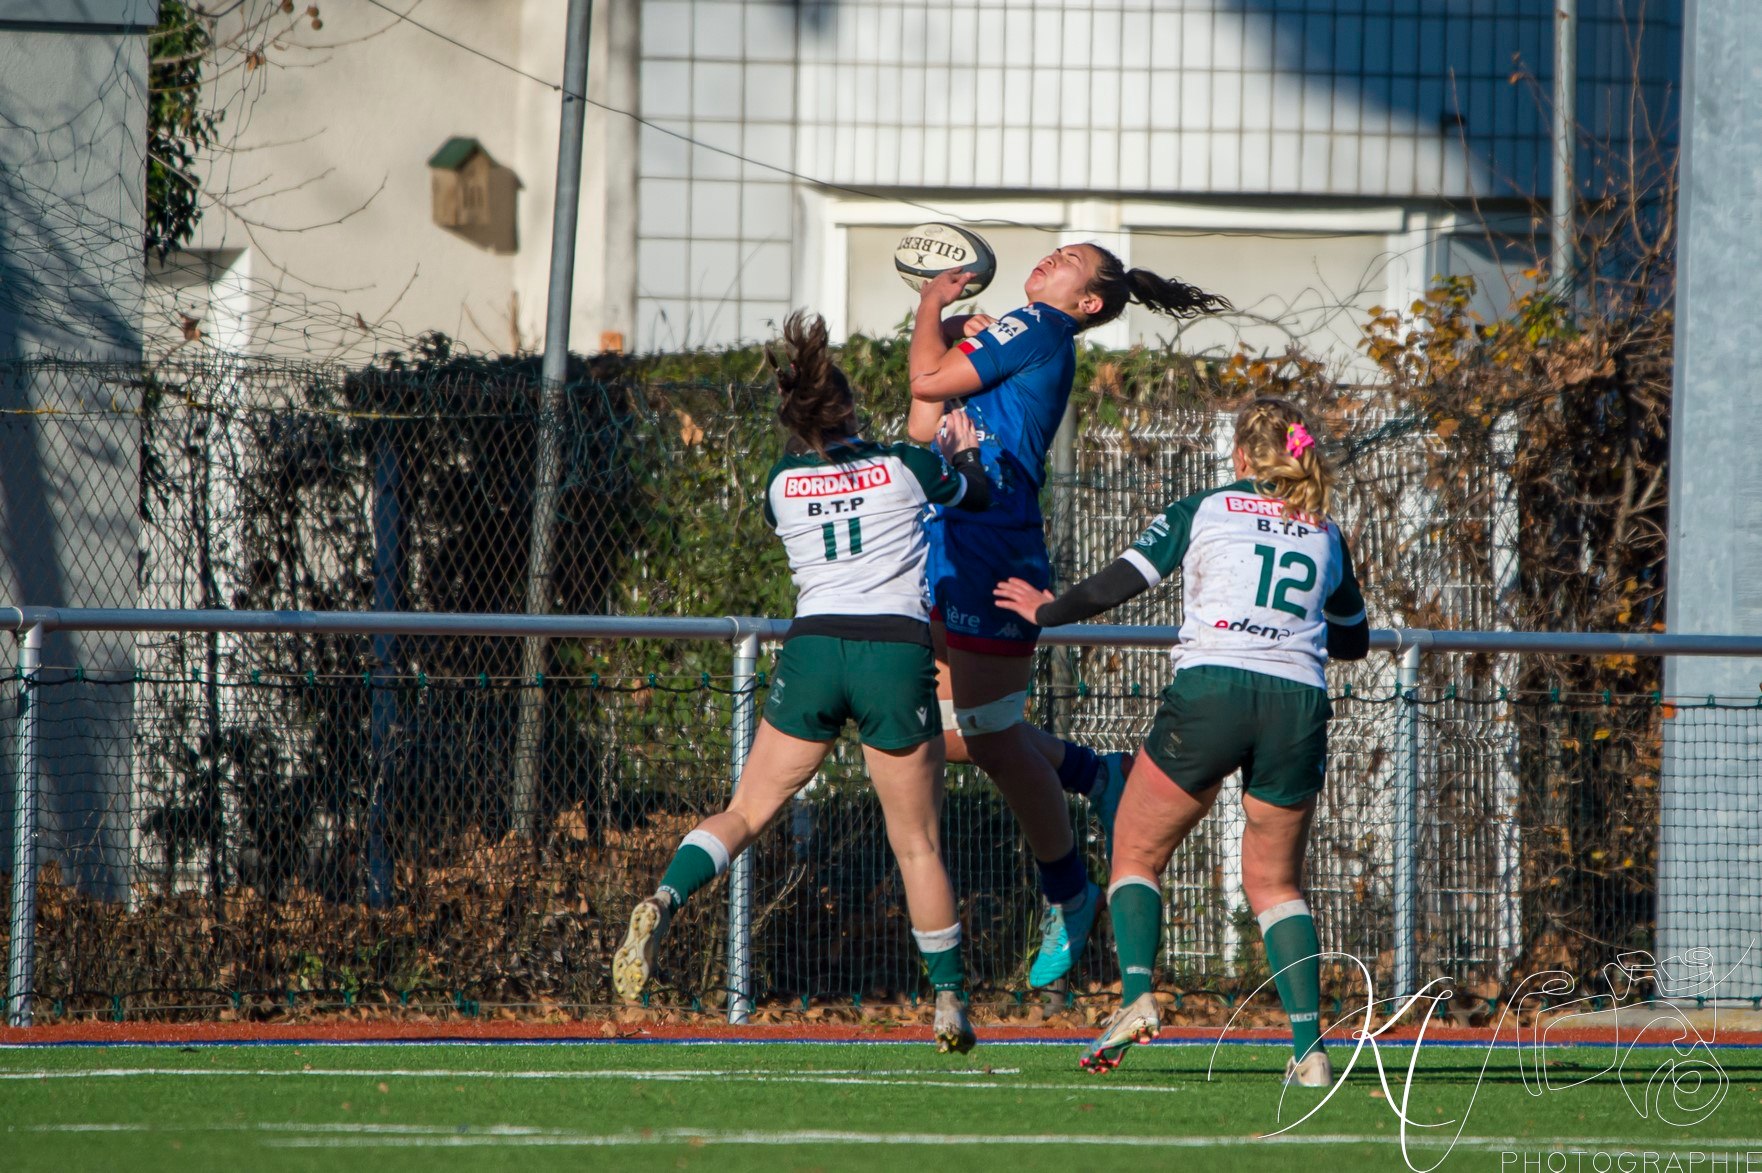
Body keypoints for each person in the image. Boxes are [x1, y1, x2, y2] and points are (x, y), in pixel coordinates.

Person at [613, 311, 993, 1053]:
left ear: (797, 421)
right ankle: (948, 998)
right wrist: (964, 452)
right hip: (892, 652)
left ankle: (663, 896)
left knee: (748, 810)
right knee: (916, 842)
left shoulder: (781, 483)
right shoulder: (907, 467)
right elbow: (977, 498)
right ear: (851, 407)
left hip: (812, 648)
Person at [993, 396, 1370, 1083]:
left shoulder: (1208, 507)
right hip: (1298, 704)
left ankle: (1136, 994)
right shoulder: (1327, 531)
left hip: (1212, 692)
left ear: (1239, 457)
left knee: (1136, 851)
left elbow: (1119, 582)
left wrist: (1046, 611)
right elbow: (1353, 640)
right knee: (1277, 883)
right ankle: (1310, 1050)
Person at [906, 244, 1231, 988]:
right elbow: (926, 422)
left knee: (984, 739)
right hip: (948, 537)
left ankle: (1070, 890)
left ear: (1088, 302)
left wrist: (929, 305)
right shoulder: (1009, 332)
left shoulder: (1040, 324)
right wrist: (949, 326)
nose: (1055, 255)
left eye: (1073, 258)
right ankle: (1097, 771)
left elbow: (925, 379)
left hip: (992, 543)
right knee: (937, 735)